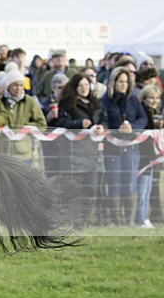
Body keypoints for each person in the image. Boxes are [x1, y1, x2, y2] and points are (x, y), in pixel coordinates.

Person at [55, 72, 106, 227]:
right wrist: (79, 123)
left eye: (86, 85)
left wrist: (102, 128)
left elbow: (105, 119)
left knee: (92, 188)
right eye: (80, 85)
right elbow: (62, 121)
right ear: (74, 87)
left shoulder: (97, 103)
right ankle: (74, 220)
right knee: (75, 189)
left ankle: (87, 221)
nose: (84, 88)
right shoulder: (66, 104)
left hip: (94, 151)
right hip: (74, 153)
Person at [100, 66, 147, 226]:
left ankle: (129, 220)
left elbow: (143, 119)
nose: (123, 84)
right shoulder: (105, 100)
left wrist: (132, 127)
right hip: (112, 148)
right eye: (120, 81)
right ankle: (116, 220)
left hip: (132, 149)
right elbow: (102, 121)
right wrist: (116, 130)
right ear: (113, 82)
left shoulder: (133, 99)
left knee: (129, 183)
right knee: (114, 183)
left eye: (126, 82)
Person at [0, 69, 47, 164]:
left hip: (23, 153)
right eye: (15, 85)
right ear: (8, 86)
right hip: (3, 151)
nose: (18, 88)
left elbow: (42, 125)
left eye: (21, 85)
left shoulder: (30, 102)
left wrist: (24, 127)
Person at [136, 85, 162, 228]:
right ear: (144, 98)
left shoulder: (153, 114)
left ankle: (144, 217)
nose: (154, 101)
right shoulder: (144, 112)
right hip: (143, 155)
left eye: (157, 98)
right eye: (151, 97)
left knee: (148, 188)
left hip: (152, 155)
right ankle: (141, 218)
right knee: (143, 188)